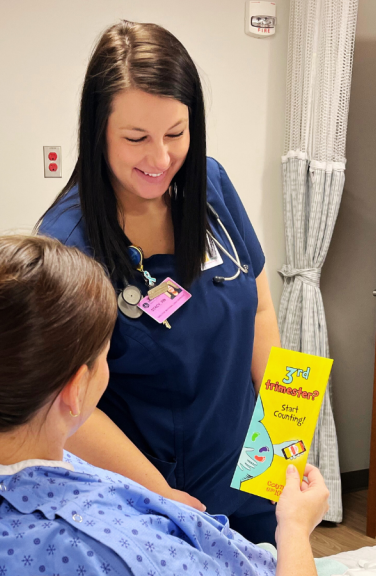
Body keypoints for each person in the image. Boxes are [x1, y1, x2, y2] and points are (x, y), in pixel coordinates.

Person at [0, 235, 329, 576]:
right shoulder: (86, 546)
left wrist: (165, 499)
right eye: (105, 356)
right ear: (76, 390)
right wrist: (295, 527)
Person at [37, 21, 282, 543]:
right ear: (97, 130)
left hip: (255, 469)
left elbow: (259, 309)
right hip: (148, 500)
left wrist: (288, 433)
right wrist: (163, 498)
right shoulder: (67, 243)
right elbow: (68, 402)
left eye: (176, 133)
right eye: (136, 138)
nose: (161, 159)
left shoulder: (210, 185)